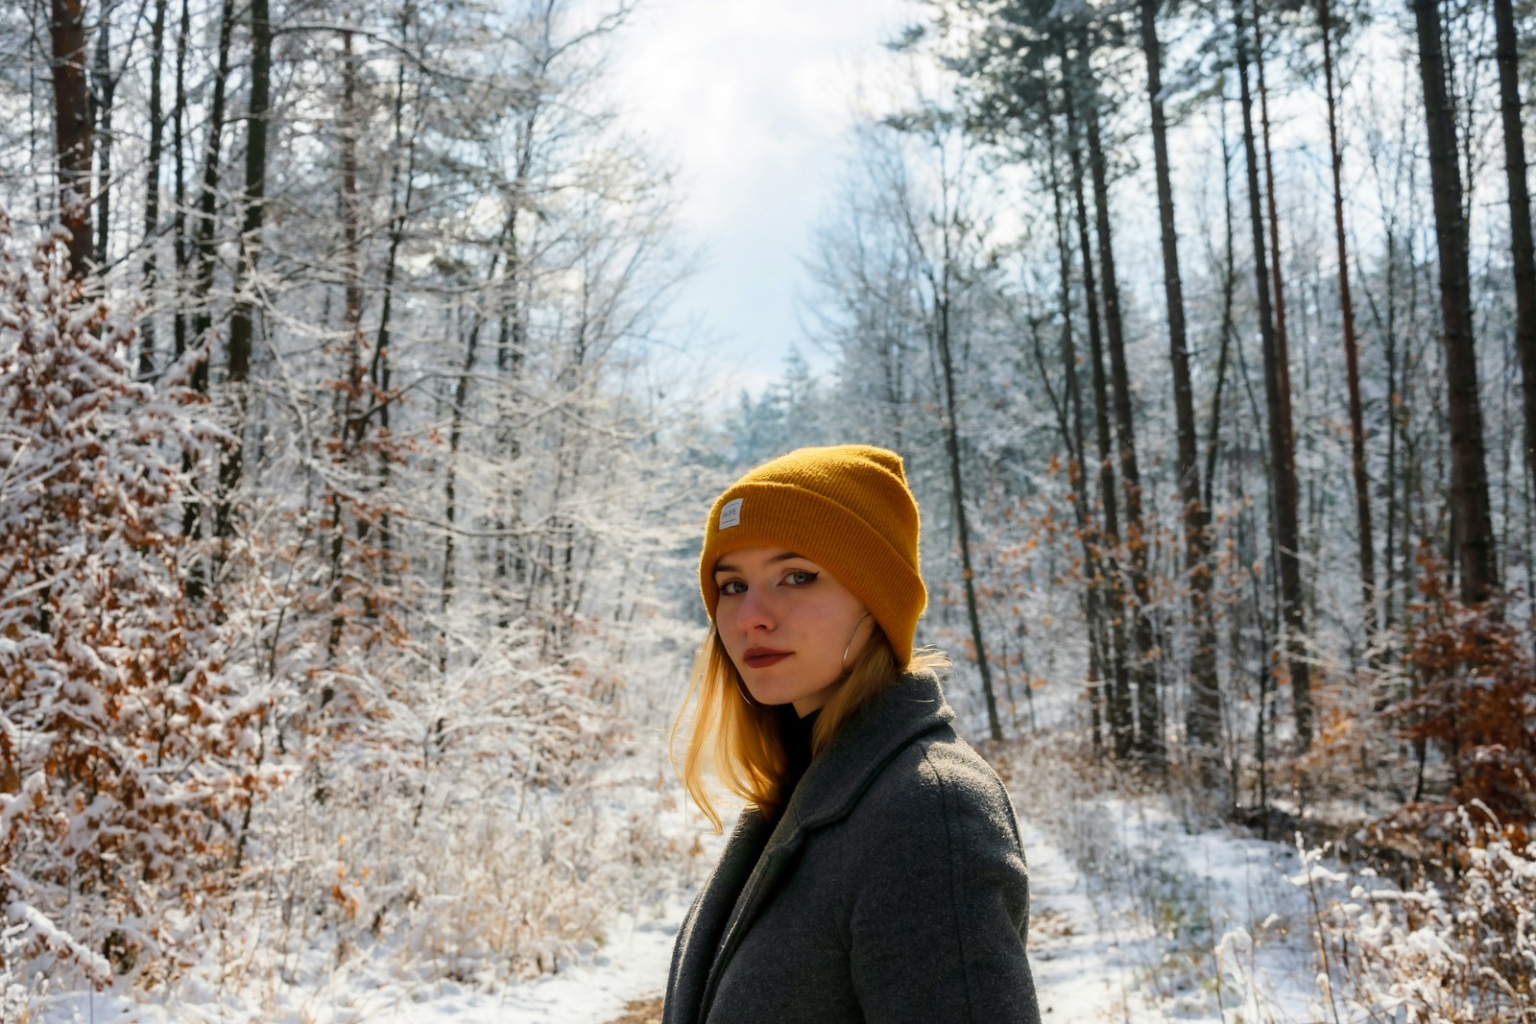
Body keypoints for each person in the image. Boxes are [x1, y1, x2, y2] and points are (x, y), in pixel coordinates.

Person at [663, 444, 1041, 1024]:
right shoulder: (804, 787)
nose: (750, 616)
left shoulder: (928, 810)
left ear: (877, 598)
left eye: (797, 576)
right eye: (732, 584)